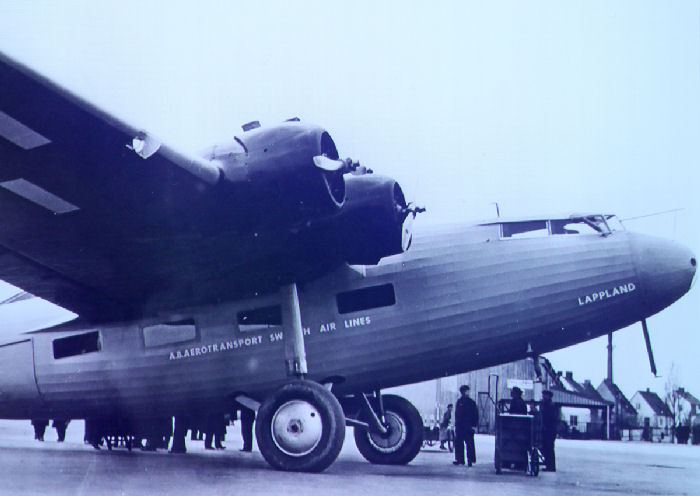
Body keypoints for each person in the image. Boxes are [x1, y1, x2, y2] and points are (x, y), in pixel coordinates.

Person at [453, 385, 478, 467]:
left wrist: (474, 425)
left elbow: (475, 415)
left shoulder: (471, 402)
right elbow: (457, 415)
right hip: (460, 426)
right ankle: (460, 460)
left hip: (468, 426)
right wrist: (456, 425)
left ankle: (470, 460)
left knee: (470, 444)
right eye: (464, 391)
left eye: (466, 391)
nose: (465, 393)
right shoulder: (459, 402)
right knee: (459, 443)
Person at [540, 390, 560, 472]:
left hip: (550, 429)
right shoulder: (546, 405)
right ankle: (549, 464)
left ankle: (550, 466)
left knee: (549, 448)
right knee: (547, 447)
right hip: (549, 429)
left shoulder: (550, 406)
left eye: (545, 395)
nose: (543, 397)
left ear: (549, 396)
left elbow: (550, 418)